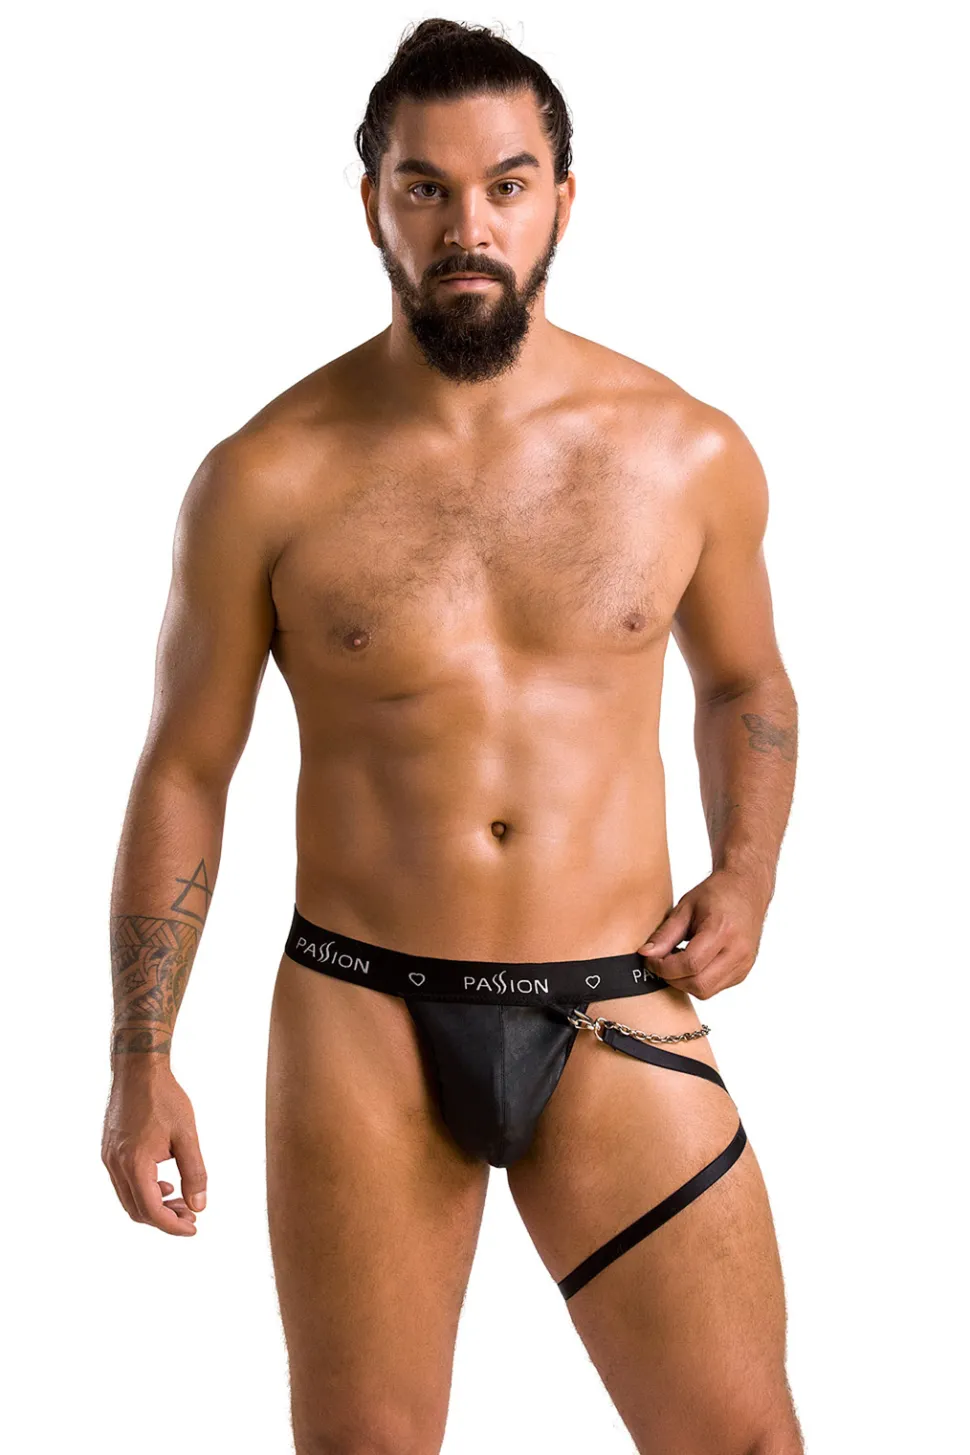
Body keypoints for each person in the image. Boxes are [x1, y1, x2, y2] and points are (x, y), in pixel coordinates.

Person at [102, 18, 803, 1454]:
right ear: (372, 201)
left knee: (741, 1441)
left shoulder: (687, 450)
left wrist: (747, 872)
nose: (465, 226)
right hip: (362, 1008)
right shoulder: (264, 476)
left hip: (614, 998)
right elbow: (185, 766)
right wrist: (139, 1057)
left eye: (505, 184)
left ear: (562, 199)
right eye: (424, 187)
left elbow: (746, 684)